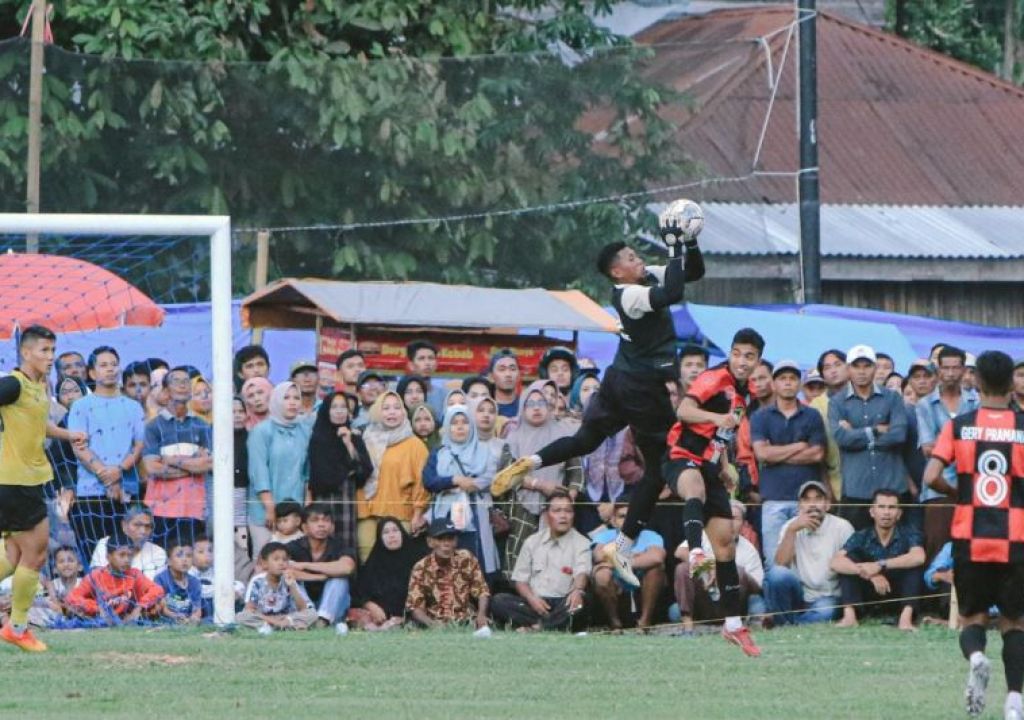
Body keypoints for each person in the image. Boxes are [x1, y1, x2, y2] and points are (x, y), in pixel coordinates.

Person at [494, 214, 706, 590]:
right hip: (643, 387)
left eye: (635, 253)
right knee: (658, 470)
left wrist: (688, 242)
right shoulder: (631, 294)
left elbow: (691, 275)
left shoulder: (644, 277)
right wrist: (673, 246)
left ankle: (532, 461)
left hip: (617, 380)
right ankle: (622, 548)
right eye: (628, 257)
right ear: (616, 273)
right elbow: (672, 294)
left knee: (585, 440)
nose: (637, 258)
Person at [923, 350, 1024, 719]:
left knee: (972, 618)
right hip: (1017, 538)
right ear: (1011, 382)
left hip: (970, 535)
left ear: (975, 381)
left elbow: (931, 476)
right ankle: (1015, 701)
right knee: (1015, 623)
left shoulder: (959, 425)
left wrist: (960, 494)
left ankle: (977, 656)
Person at [663, 328, 763, 656]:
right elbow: (684, 411)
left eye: (749, 356)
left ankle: (733, 625)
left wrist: (722, 466)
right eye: (737, 353)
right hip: (682, 456)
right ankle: (695, 555)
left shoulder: (743, 393)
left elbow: (720, 434)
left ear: (758, 361)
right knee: (695, 491)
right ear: (730, 353)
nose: (742, 361)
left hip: (709, 464)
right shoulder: (714, 377)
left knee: (725, 546)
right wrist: (717, 416)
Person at [0, 325, 87, 651]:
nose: (51, 357)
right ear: (25, 352)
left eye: (53, 351)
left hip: (26, 481)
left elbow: (39, 424)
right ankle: (17, 628)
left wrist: (69, 435)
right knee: (35, 554)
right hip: (15, 482)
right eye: (44, 351)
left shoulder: (38, 387)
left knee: (13, 554)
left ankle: (17, 628)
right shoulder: (13, 384)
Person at [492, 381, 583, 577]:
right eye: (530, 404)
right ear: (522, 408)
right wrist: (540, 485)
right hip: (521, 507)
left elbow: (576, 472)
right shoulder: (513, 439)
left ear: (549, 407)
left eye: (541, 403)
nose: (536, 409)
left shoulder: (563, 436)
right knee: (519, 561)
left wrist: (568, 499)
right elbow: (508, 475)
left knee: (554, 562)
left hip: (556, 507)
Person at [67, 345, 146, 563]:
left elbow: (138, 445)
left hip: (125, 491)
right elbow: (78, 446)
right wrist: (104, 473)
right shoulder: (81, 406)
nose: (110, 369)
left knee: (125, 556)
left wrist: (119, 471)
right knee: (95, 557)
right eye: (103, 365)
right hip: (90, 494)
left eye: (113, 364)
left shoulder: (133, 406)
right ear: (92, 373)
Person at [750, 360, 827, 567]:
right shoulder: (760, 417)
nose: (787, 383)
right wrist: (799, 446)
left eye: (792, 378)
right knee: (775, 563)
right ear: (774, 384)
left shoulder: (812, 415)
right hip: (773, 499)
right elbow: (762, 454)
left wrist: (777, 452)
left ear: (799, 384)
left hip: (807, 501)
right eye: (782, 378)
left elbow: (817, 454)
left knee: (808, 562)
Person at [828, 345, 908, 530]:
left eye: (867, 366)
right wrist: (875, 431)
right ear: (849, 369)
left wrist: (855, 433)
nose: (862, 371)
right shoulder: (837, 402)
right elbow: (841, 437)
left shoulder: (892, 398)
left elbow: (898, 434)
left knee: (895, 548)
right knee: (854, 550)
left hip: (891, 488)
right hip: (856, 489)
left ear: (875, 368)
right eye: (857, 366)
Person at [491, 490, 592, 631]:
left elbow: (582, 573)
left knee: (582, 603)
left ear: (573, 515)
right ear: (546, 516)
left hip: (564, 602)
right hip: (535, 603)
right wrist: (532, 599)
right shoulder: (532, 542)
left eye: (568, 511)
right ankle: (554, 624)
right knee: (499, 601)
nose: (563, 516)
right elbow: (520, 581)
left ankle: (538, 628)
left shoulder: (582, 542)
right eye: (557, 511)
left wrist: (577, 590)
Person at [916, 345, 980, 561]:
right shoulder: (925, 404)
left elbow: (983, 446)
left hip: (974, 489)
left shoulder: (976, 402)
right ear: (938, 370)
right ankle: (939, 597)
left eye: (955, 368)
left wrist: (943, 448)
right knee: (937, 551)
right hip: (938, 491)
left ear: (964, 369)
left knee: (973, 551)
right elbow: (927, 448)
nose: (951, 374)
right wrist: (966, 446)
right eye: (946, 368)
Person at [423, 405, 501, 578]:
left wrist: (472, 484)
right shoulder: (439, 453)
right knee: (445, 569)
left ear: (472, 426)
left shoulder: (484, 451)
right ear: (447, 427)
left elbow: (490, 478)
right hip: (445, 517)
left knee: (476, 565)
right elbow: (428, 480)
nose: (459, 427)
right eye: (454, 423)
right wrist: (454, 480)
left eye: (465, 422)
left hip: (476, 517)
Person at [830, 489, 925, 631]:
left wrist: (880, 565)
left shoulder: (909, 532)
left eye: (891, 507)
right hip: (869, 595)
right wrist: (868, 573)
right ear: (872, 512)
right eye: (881, 507)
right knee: (850, 559)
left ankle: (905, 620)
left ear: (899, 513)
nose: (886, 512)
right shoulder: (862, 535)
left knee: (913, 566)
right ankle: (849, 616)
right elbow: (835, 562)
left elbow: (919, 556)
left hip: (898, 594)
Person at [141, 366, 213, 550]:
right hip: (161, 510)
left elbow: (207, 464)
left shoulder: (202, 426)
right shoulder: (153, 427)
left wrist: (171, 460)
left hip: (193, 508)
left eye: (186, 381)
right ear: (165, 391)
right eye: (176, 381)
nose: (182, 385)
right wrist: (191, 465)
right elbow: (152, 468)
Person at [763, 480, 853, 625]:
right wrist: (792, 530)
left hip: (828, 596)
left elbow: (850, 567)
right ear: (799, 506)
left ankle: (786, 623)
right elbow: (780, 564)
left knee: (827, 610)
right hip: (799, 595)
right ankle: (791, 621)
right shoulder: (790, 526)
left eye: (818, 498)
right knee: (776, 574)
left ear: (828, 505)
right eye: (806, 500)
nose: (812, 504)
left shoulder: (842, 527)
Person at [356, 391, 430, 561]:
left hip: (400, 512)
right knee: (367, 560)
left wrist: (418, 514)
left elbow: (421, 483)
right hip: (366, 510)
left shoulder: (414, 445)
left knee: (399, 561)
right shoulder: (365, 439)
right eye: (386, 408)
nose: (392, 412)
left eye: (397, 407)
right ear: (376, 412)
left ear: (404, 412)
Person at [674, 499, 764, 632]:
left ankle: (732, 624)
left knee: (739, 574)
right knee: (682, 570)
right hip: (705, 598)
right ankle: (688, 627)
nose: (729, 523)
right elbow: (680, 552)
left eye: (734, 518)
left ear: (744, 524)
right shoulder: (703, 536)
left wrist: (732, 573)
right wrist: (709, 566)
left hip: (734, 603)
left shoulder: (748, 549)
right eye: (725, 517)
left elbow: (758, 587)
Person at [247, 381, 312, 557]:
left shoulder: (305, 430)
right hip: (264, 512)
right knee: (266, 561)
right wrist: (270, 507)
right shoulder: (261, 431)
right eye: (286, 397)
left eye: (296, 398)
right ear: (275, 400)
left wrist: (305, 507)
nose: (292, 402)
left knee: (293, 562)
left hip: (294, 512)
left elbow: (307, 471)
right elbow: (258, 471)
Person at [308, 392, 373, 550]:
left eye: (343, 407)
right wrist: (347, 471)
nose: (339, 411)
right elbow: (319, 475)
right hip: (324, 499)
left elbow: (364, 471)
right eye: (334, 407)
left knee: (346, 547)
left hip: (346, 500)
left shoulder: (354, 437)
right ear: (326, 411)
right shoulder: (318, 438)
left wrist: (349, 444)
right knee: (323, 544)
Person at [591, 502, 665, 631]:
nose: (628, 520)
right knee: (601, 574)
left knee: (655, 569)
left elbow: (657, 557)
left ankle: (644, 622)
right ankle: (615, 624)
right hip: (616, 588)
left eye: (632, 516)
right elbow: (599, 556)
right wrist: (638, 556)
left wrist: (617, 559)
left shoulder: (650, 535)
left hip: (642, 589)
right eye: (622, 516)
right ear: (613, 521)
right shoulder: (605, 536)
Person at [405, 517, 490, 629]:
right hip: (435, 620)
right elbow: (415, 606)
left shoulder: (466, 558)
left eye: (450, 539)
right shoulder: (421, 568)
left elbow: (482, 591)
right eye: (440, 539)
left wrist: (481, 615)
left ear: (456, 541)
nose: (446, 544)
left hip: (466, 619)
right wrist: (433, 625)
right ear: (429, 542)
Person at [66, 532, 165, 624]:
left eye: (130, 555)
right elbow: (72, 597)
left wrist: (139, 607)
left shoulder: (134, 574)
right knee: (72, 608)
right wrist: (97, 608)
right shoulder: (95, 576)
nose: (127, 560)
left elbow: (157, 590)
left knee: (159, 604)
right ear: (108, 557)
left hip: (128, 618)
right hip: (100, 618)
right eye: (122, 555)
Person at [285, 504, 357, 628]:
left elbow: (347, 567)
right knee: (290, 579)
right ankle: (308, 616)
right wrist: (320, 577)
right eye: (315, 520)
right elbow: (283, 571)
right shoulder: (293, 547)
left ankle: (322, 621)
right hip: (302, 606)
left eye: (326, 520)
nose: (321, 524)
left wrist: (304, 565)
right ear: (304, 527)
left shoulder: (340, 545)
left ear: (332, 527)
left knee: (340, 579)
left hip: (334, 608)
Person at [353, 517, 425, 631]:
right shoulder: (374, 563)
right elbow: (358, 593)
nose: (392, 535)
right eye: (386, 532)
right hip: (377, 616)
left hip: (407, 616)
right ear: (380, 538)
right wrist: (371, 606)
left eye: (395, 530)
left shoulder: (416, 561)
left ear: (402, 533)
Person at [238, 542, 316, 631]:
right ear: (264, 563)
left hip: (286, 617)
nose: (281, 563)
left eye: (285, 560)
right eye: (276, 559)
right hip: (265, 617)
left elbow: (303, 609)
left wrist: (292, 585)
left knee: (312, 614)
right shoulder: (257, 581)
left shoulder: (290, 578)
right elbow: (249, 609)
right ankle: (285, 627)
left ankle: (274, 627)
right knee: (242, 616)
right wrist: (274, 621)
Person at [810, 349, 847, 498]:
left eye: (837, 364)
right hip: (834, 482)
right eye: (827, 367)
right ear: (822, 375)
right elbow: (817, 453)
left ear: (848, 367)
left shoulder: (865, 399)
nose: (833, 371)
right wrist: (826, 488)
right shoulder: (816, 405)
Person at [91, 506, 167, 580]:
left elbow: (154, 586)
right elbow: (97, 579)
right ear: (124, 525)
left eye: (147, 526)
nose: (143, 531)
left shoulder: (158, 552)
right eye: (137, 525)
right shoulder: (105, 543)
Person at [155, 541, 203, 624]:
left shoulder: (195, 582)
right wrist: (175, 617)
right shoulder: (160, 579)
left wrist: (194, 618)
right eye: (179, 555)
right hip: (166, 619)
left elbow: (197, 609)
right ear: (169, 561)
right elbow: (162, 608)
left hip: (187, 620)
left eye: (188, 556)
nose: (184, 559)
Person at [405, 340, 447, 419]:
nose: (427, 363)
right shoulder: (401, 393)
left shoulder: (444, 395)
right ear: (411, 365)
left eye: (431, 358)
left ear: (436, 364)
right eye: (421, 358)